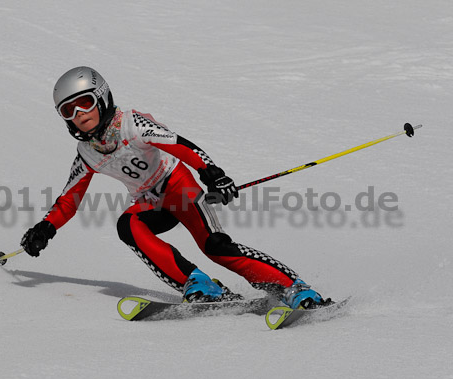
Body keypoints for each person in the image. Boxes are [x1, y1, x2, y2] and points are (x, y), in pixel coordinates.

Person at [20, 66, 329, 309]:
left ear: (101, 98)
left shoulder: (133, 124)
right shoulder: (87, 153)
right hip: (152, 203)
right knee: (128, 224)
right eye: (68, 110)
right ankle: (198, 284)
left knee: (216, 247)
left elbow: (180, 146)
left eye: (84, 103)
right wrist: (45, 228)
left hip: (180, 189)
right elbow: (69, 199)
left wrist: (210, 173)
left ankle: (293, 287)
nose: (79, 115)